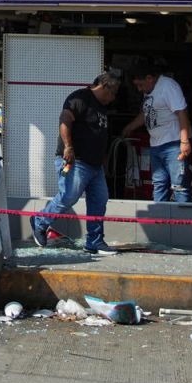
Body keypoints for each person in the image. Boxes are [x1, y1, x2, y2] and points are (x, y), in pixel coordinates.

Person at [31, 71, 123, 256]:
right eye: (113, 93)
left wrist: (103, 159)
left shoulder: (102, 108)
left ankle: (95, 242)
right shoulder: (80, 98)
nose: (113, 98)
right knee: (69, 196)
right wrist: (68, 147)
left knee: (99, 200)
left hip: (95, 166)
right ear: (105, 86)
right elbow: (65, 120)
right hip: (76, 160)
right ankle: (40, 221)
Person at [122, 57, 192, 204]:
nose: (139, 89)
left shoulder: (168, 86)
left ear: (149, 78)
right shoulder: (149, 90)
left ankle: (185, 224)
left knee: (179, 186)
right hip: (155, 144)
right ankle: (159, 221)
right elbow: (145, 113)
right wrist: (129, 127)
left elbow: (182, 112)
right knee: (159, 185)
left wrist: (184, 141)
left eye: (140, 84)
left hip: (174, 143)